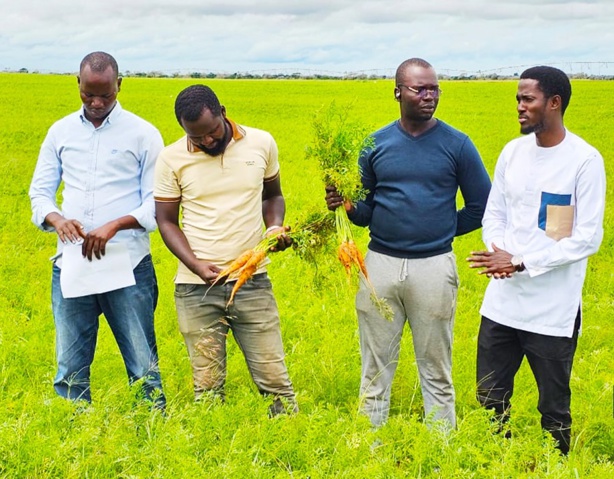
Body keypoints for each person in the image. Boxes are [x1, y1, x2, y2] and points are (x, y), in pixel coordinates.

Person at [326, 58, 491, 429]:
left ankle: (442, 449)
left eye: (434, 88)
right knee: (375, 369)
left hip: (434, 268)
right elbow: (366, 212)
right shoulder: (375, 145)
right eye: (420, 89)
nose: (429, 96)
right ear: (398, 92)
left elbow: (481, 206)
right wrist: (347, 206)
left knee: (436, 368)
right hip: (379, 265)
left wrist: (442, 232)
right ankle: (369, 448)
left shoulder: (457, 145)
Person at [468, 66, 605, 454]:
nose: (520, 107)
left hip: (552, 308)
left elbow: (587, 237)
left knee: (554, 408)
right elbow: (493, 214)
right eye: (518, 99)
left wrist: (521, 260)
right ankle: (497, 457)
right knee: (490, 396)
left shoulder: (583, 160)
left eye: (528, 99)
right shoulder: (513, 152)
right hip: (503, 302)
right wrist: (498, 251)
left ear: (555, 103)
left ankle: (555, 464)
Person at [29, 51, 165, 407]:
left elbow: (158, 203)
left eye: (106, 94)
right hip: (72, 265)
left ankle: (152, 431)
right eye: (89, 94)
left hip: (128, 266)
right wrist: (57, 219)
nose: (97, 102)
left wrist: (115, 225)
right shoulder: (61, 131)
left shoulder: (143, 134)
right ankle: (75, 432)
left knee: (142, 365)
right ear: (78, 84)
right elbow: (40, 192)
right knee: (69, 367)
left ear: (120, 85)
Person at [154, 84, 297, 416]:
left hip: (252, 282)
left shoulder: (261, 143)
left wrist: (274, 226)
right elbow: (166, 222)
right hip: (195, 289)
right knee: (207, 387)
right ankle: (212, 453)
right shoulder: (171, 158)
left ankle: (289, 445)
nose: (206, 142)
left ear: (223, 111)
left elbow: (272, 196)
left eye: (211, 132)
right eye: (196, 138)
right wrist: (196, 264)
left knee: (275, 381)